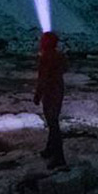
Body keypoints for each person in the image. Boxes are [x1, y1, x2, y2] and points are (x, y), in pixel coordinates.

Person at [33, 31, 67, 167]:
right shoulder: (60, 56)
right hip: (58, 91)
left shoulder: (46, 57)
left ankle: (59, 158)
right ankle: (50, 149)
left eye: (42, 40)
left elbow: (43, 78)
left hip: (50, 93)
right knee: (53, 121)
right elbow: (65, 69)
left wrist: (37, 95)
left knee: (53, 124)